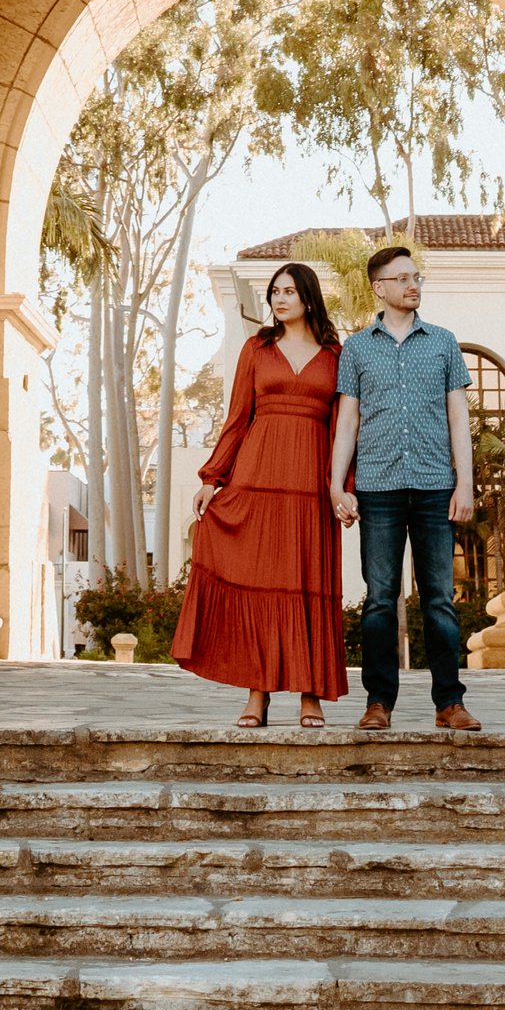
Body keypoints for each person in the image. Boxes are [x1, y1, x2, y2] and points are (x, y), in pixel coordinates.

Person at [174, 260, 347, 727]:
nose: (279, 299)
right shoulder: (256, 348)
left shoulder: (336, 354)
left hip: (310, 486)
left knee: (308, 583)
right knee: (263, 583)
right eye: (275, 292)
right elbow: (237, 419)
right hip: (257, 478)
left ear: (309, 297)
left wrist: (344, 489)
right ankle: (258, 693)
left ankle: (311, 694)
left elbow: (345, 427)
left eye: (289, 291)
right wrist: (213, 478)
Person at [330, 242, 486, 735]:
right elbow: (348, 421)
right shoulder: (356, 348)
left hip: (437, 487)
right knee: (380, 599)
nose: (413, 284)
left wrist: (466, 483)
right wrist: (337, 485)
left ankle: (449, 703)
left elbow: (458, 417)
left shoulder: (442, 342)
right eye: (402, 278)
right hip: (377, 489)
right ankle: (379, 703)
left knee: (439, 597)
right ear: (380, 288)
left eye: (416, 277)